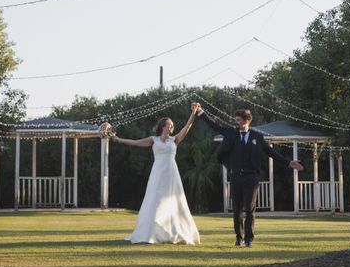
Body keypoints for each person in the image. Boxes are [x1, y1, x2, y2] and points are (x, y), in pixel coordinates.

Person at [192, 102, 303, 248]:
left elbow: (270, 153)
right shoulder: (231, 133)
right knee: (237, 209)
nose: (236, 122)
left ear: (247, 120)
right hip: (236, 176)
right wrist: (200, 112)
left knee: (249, 208)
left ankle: (249, 240)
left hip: (251, 177)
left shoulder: (257, 136)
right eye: (236, 120)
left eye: (239, 120)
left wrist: (288, 163)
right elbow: (215, 125)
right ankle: (239, 237)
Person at [101, 108, 200, 245]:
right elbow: (136, 142)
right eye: (169, 124)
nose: (171, 126)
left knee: (173, 201)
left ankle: (173, 232)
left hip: (172, 174)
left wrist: (193, 114)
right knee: (155, 200)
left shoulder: (174, 140)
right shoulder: (153, 140)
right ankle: (152, 232)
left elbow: (187, 127)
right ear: (163, 126)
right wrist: (118, 139)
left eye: (172, 125)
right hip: (158, 173)